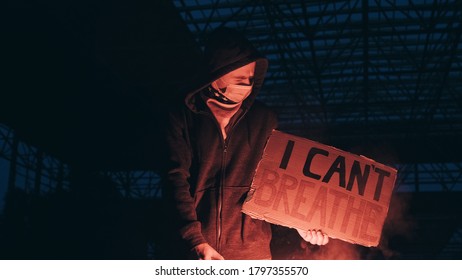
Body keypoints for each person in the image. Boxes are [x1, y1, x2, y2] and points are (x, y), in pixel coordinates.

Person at [163, 27, 328, 260]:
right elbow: (174, 179)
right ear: (215, 74)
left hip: (253, 256)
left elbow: (277, 180)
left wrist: (298, 220)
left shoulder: (264, 120)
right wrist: (194, 241)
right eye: (239, 80)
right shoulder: (182, 117)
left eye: (250, 80)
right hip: (195, 254)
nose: (246, 86)